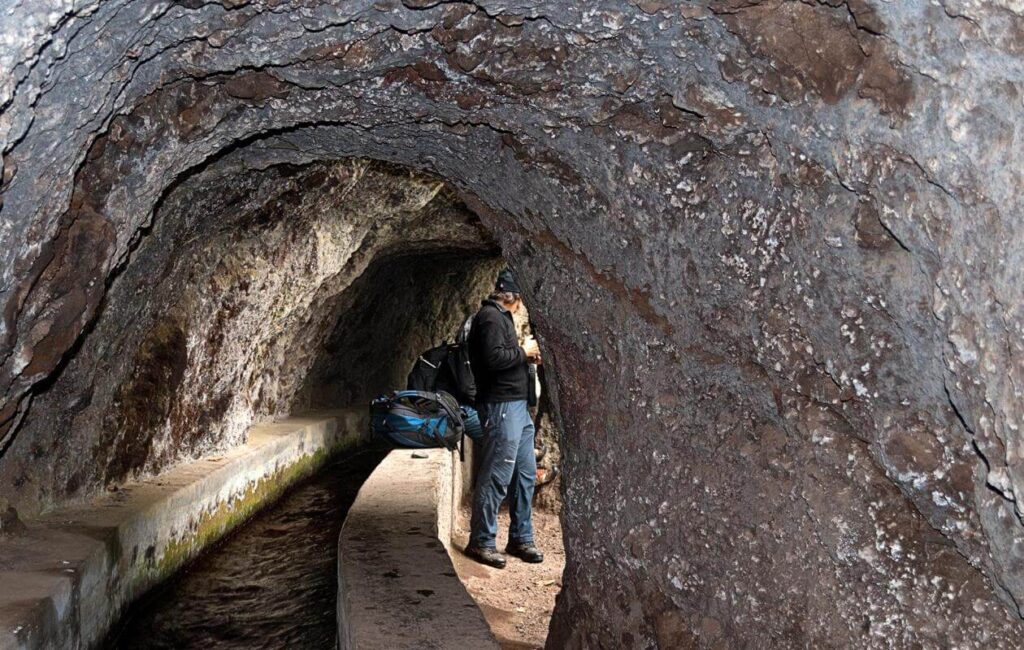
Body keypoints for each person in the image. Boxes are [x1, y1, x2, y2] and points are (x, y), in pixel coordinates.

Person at [464, 268, 544, 569]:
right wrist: (523, 351)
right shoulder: (490, 318)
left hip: (518, 408)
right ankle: (482, 541)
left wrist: (527, 357)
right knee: (497, 473)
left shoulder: (500, 318)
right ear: (518, 298)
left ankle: (521, 537)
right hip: (502, 407)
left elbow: (503, 356)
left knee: (525, 474)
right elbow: (494, 359)